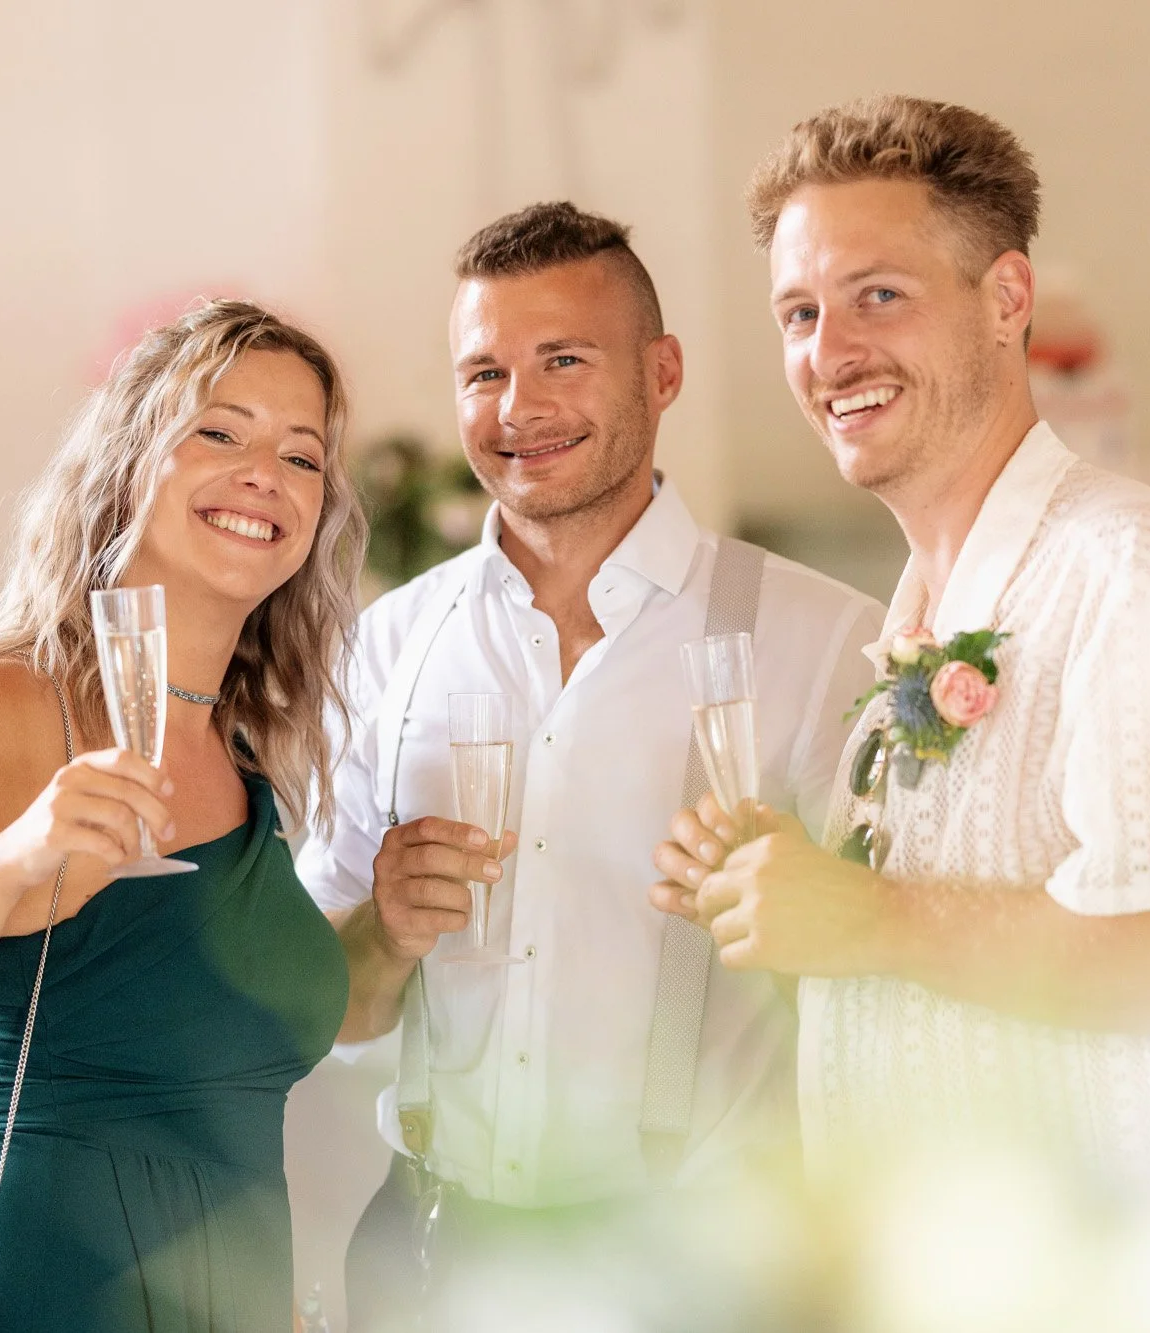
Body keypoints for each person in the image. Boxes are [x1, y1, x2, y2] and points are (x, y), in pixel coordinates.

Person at [653, 96, 1150, 1172]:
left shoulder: (1133, 576)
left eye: (878, 295)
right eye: (797, 315)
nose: (831, 352)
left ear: (1007, 297)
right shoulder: (917, 609)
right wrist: (784, 899)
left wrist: (871, 917)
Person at [295, 202, 881, 1327]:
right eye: (483, 372)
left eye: (563, 359)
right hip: (423, 1257)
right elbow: (339, 1011)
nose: (518, 409)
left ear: (660, 372)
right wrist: (386, 926)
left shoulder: (820, 643)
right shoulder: (391, 644)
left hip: (702, 1275)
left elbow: (886, 997)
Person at [0, 300, 366, 1331]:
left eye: (301, 455)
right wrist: (4, 869)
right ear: (127, 459)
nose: (264, 474)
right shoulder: (6, 701)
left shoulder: (249, 755)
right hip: (37, 1288)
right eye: (219, 431)